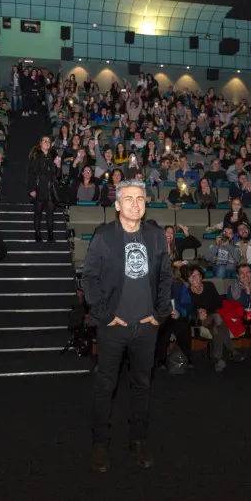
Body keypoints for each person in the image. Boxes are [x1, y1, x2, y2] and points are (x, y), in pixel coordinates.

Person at [81, 179, 173, 473]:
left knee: (142, 386)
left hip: (147, 328)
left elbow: (166, 277)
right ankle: (100, 443)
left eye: (141, 199)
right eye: (130, 199)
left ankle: (138, 440)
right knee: (104, 386)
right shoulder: (104, 236)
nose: (136, 203)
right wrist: (105, 316)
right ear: (118, 204)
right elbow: (89, 279)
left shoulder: (157, 236)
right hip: (113, 327)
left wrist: (159, 314)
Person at [27, 136, 59, 242]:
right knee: (38, 213)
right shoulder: (35, 156)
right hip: (39, 188)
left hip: (50, 189)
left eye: (49, 141)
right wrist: (32, 189)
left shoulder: (52, 156)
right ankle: (37, 234)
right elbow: (31, 174)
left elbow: (57, 175)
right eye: (45, 141)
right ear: (40, 143)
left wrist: (58, 166)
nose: (47, 143)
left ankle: (50, 235)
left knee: (50, 213)